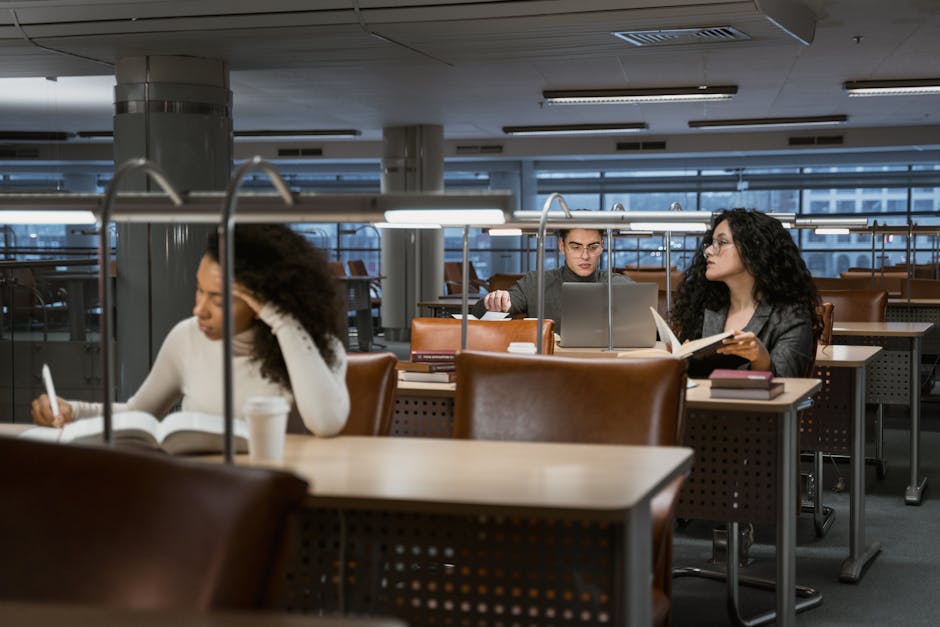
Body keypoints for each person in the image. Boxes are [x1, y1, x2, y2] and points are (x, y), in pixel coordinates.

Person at [31, 224, 350, 437]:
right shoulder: (187, 338)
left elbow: (325, 423)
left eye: (219, 299)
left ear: (265, 302)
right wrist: (72, 412)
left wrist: (281, 320)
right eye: (199, 291)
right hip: (204, 493)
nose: (199, 309)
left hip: (286, 500)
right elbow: (137, 413)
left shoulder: (317, 349)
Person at [672, 208, 821, 378]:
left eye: (722, 243)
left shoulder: (790, 316)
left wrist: (761, 360)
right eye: (711, 243)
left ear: (755, 250)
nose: (708, 251)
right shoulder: (705, 306)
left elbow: (789, 386)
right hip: (699, 403)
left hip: (753, 405)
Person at [471, 227, 631, 330]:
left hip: (603, 364)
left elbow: (652, 328)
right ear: (562, 247)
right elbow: (478, 314)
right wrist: (494, 301)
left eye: (593, 247)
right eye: (575, 247)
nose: (585, 256)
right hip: (550, 367)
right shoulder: (536, 283)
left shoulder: (619, 284)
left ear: (602, 246)